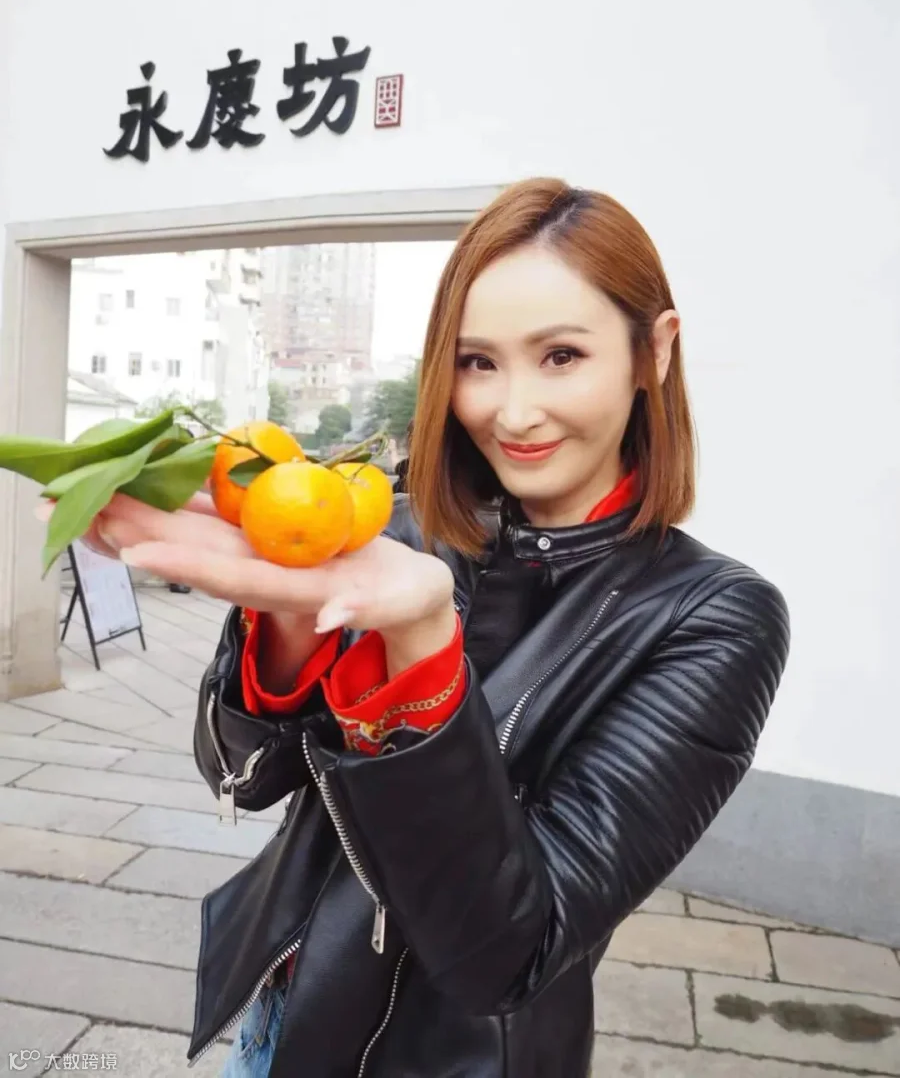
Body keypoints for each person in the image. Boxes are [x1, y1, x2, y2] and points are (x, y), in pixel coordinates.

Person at [74, 179, 789, 1078]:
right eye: (477, 362)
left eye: (561, 355)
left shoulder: (711, 616)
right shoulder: (392, 532)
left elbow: (508, 952)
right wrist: (289, 626)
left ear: (655, 350)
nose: (512, 410)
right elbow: (239, 778)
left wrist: (422, 652)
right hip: (281, 1020)